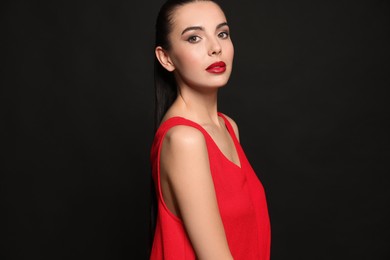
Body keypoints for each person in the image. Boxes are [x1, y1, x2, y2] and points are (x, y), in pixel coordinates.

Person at [149, 0, 271, 259]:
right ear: (166, 57)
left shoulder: (228, 127)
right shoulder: (184, 139)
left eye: (222, 33)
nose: (215, 48)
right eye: (194, 38)